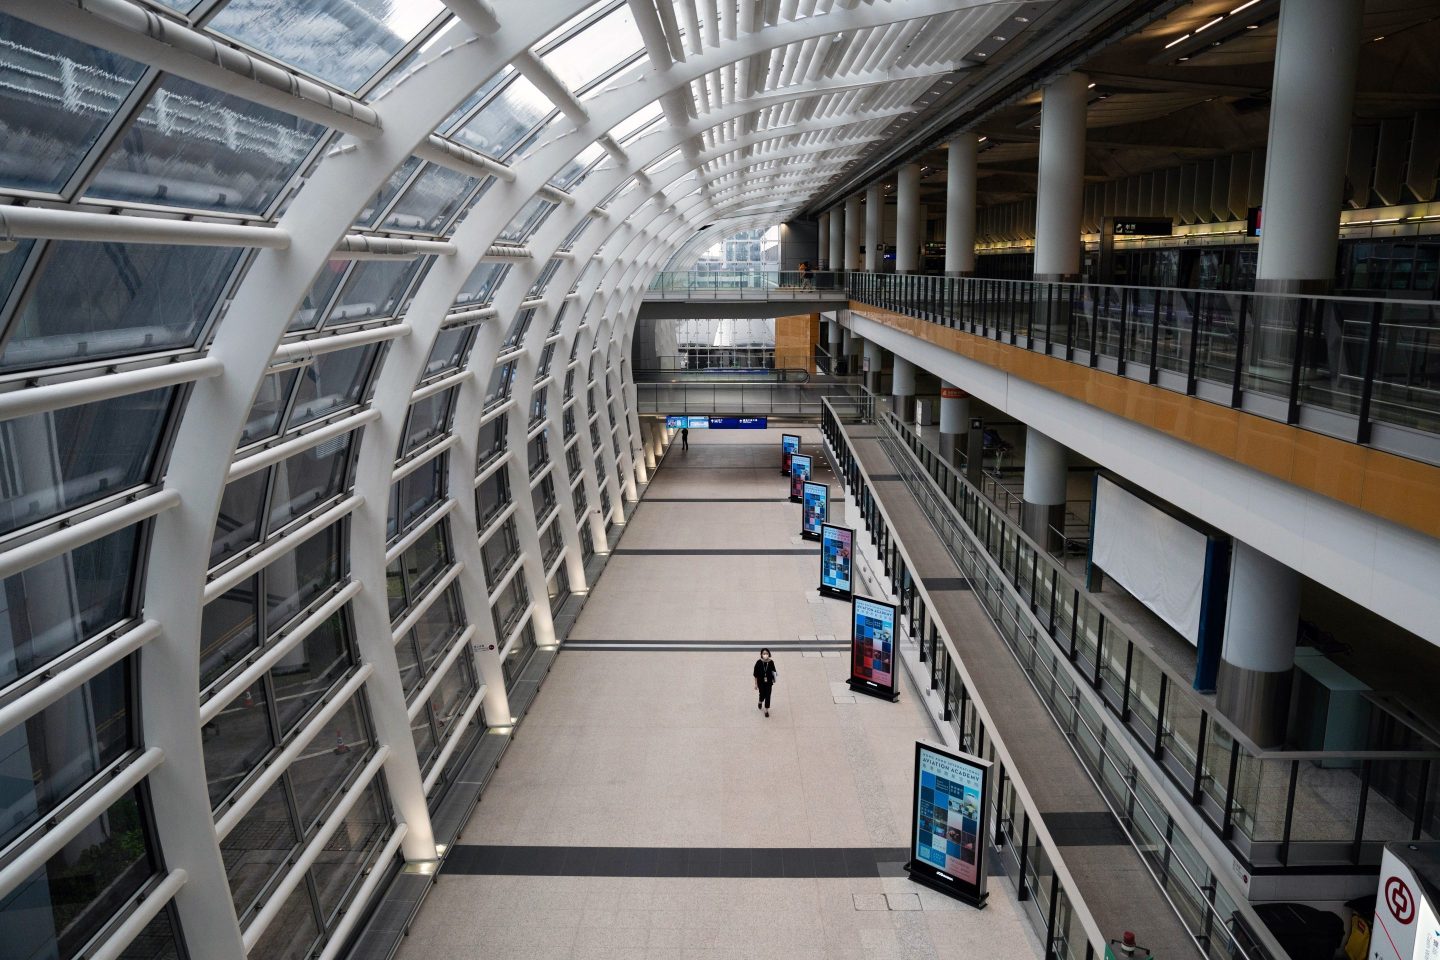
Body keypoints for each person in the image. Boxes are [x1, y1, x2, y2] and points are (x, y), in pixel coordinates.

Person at [753, 648, 777, 717]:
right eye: (764, 653)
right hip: (761, 682)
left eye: (766, 653)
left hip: (769, 682)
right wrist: (756, 684)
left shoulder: (771, 662)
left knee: (768, 696)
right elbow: (755, 674)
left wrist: (774, 678)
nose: (765, 655)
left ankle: (766, 710)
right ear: (761, 654)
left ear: (769, 654)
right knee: (762, 694)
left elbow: (774, 671)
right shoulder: (758, 662)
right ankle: (760, 701)